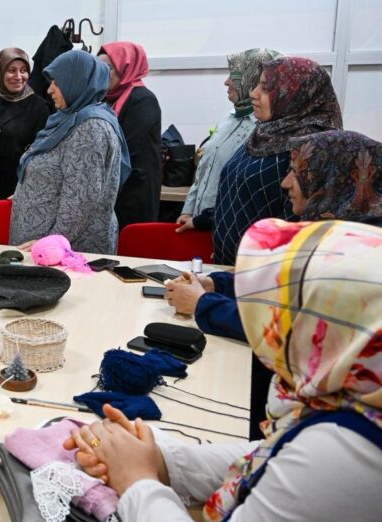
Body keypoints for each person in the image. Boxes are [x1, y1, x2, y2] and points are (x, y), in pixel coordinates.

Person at [65, 218, 382, 522]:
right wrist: (153, 457)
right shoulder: (351, 407)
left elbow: (287, 462)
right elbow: (260, 456)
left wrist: (136, 479)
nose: (265, 320)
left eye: (279, 309)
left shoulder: (340, 454)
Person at [167, 130, 382, 339]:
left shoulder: (355, 259)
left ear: (332, 181)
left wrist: (202, 304)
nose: (285, 183)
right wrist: (216, 285)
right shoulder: (332, 235)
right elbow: (278, 285)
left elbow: (287, 332)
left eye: (298, 174)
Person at [178, 57, 342, 264]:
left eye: (265, 88)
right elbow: (243, 195)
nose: (253, 93)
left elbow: (296, 225)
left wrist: (250, 267)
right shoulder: (265, 133)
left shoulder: (311, 148)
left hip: (263, 276)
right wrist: (205, 221)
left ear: (293, 95)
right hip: (230, 268)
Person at [9, 49, 131, 254]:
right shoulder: (71, 119)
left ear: (76, 81)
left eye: (57, 82)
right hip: (47, 250)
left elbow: (80, 201)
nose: (49, 90)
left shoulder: (90, 128)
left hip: (64, 252)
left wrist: (49, 244)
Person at [176, 48, 279, 227]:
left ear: (250, 79)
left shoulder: (264, 128)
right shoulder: (228, 118)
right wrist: (188, 210)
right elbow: (203, 172)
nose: (226, 82)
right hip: (198, 223)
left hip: (230, 226)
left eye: (233, 75)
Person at [97, 42, 161, 230]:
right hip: (115, 189)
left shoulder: (142, 99)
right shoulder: (107, 98)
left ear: (125, 67)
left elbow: (130, 149)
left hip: (134, 191)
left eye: (108, 68)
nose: (101, 74)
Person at [0, 47, 50, 202]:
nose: (18, 76)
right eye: (11, 70)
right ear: (0, 72)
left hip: (16, 190)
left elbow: (40, 156)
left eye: (23, 70)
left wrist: (26, 189)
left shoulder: (39, 107)